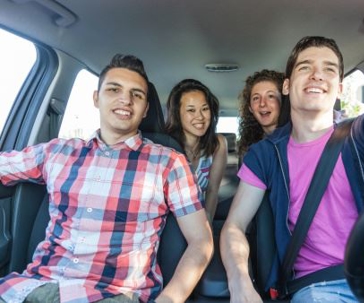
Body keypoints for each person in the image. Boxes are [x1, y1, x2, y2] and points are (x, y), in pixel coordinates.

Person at [220, 36, 364, 303]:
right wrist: (239, 281)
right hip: (316, 288)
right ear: (287, 85)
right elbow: (234, 226)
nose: (318, 75)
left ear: (340, 88)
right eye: (305, 67)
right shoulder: (265, 154)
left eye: (329, 69)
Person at [0, 54, 214, 303]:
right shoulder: (57, 151)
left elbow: (201, 240)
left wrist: (168, 299)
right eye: (114, 89)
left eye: (137, 94)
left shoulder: (168, 162)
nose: (126, 99)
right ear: (96, 98)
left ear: (145, 109)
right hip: (34, 286)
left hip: (114, 294)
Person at [165, 79, 227, 223]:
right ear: (177, 114)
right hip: (169, 223)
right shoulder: (165, 147)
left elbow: (212, 191)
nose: (200, 117)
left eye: (205, 109)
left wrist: (207, 225)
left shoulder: (218, 145)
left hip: (198, 220)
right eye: (191, 110)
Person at [237, 69, 287, 162]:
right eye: (256, 98)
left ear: (283, 102)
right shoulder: (249, 149)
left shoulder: (298, 139)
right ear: (250, 108)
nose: (262, 103)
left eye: (270, 96)